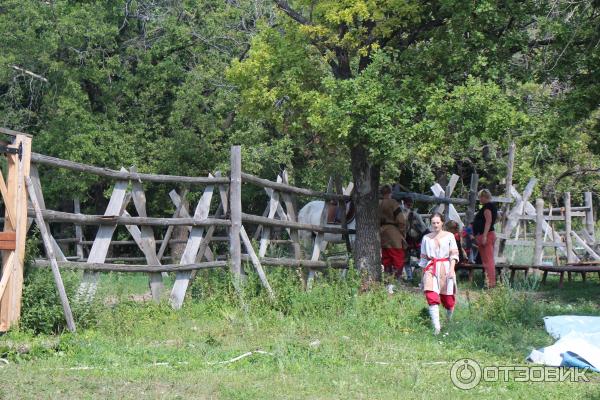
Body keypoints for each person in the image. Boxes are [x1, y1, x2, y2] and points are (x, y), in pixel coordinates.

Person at [418, 213, 459, 335]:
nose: (435, 225)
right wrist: (422, 277)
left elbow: (454, 255)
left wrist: (452, 269)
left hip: (446, 267)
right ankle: (437, 328)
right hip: (430, 267)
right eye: (433, 223)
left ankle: (448, 321)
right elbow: (424, 259)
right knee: (431, 295)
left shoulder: (449, 236)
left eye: (437, 222)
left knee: (448, 298)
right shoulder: (426, 238)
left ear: (442, 223)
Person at [379, 184, 408, 293]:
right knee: (398, 258)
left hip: (382, 233)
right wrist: (402, 233)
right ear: (390, 192)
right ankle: (396, 283)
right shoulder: (393, 203)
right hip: (393, 233)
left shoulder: (378, 204)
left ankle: (388, 284)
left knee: (386, 259)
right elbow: (401, 220)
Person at [473, 189, 498, 288]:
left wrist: (484, 235)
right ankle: (488, 281)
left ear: (484, 197)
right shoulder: (491, 207)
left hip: (486, 235)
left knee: (488, 260)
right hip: (487, 234)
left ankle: (491, 283)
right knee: (486, 261)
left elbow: (488, 221)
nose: (480, 199)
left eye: (480, 197)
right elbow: (498, 217)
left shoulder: (487, 207)